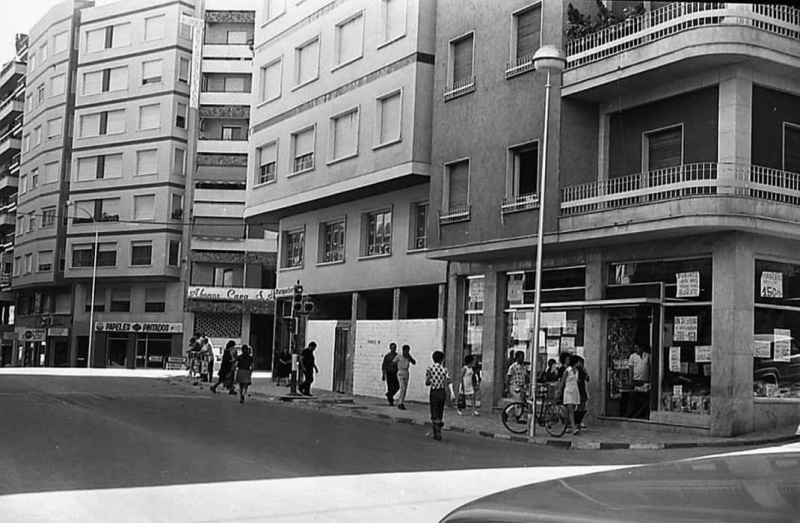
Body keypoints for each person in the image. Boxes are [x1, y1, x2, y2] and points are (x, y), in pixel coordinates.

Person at [425, 350, 456, 441]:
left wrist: (431, 381)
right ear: (442, 360)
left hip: (434, 391)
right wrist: (452, 393)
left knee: (434, 411)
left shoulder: (429, 368)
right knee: (440, 410)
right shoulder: (444, 369)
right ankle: (438, 428)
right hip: (442, 392)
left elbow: (427, 382)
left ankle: (436, 429)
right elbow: (449, 381)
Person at [561, 354, 581, 435]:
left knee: (569, 411)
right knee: (571, 410)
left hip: (575, 391)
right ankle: (573, 428)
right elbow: (563, 381)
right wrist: (559, 390)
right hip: (568, 391)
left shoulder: (577, 371)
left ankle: (566, 426)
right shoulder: (567, 370)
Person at [394, 344, 416, 410]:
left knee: (405, 389)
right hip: (400, 371)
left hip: (406, 372)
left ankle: (402, 402)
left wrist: (409, 357)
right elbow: (393, 362)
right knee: (402, 387)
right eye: (405, 351)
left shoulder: (408, 357)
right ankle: (400, 403)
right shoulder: (399, 356)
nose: (406, 352)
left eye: (407, 351)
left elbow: (414, 362)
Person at [575, 356, 590, 429]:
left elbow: (587, 379)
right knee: (579, 405)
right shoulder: (575, 370)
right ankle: (577, 421)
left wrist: (585, 371)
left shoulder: (582, 370)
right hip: (577, 389)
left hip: (582, 388)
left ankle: (579, 420)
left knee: (583, 404)